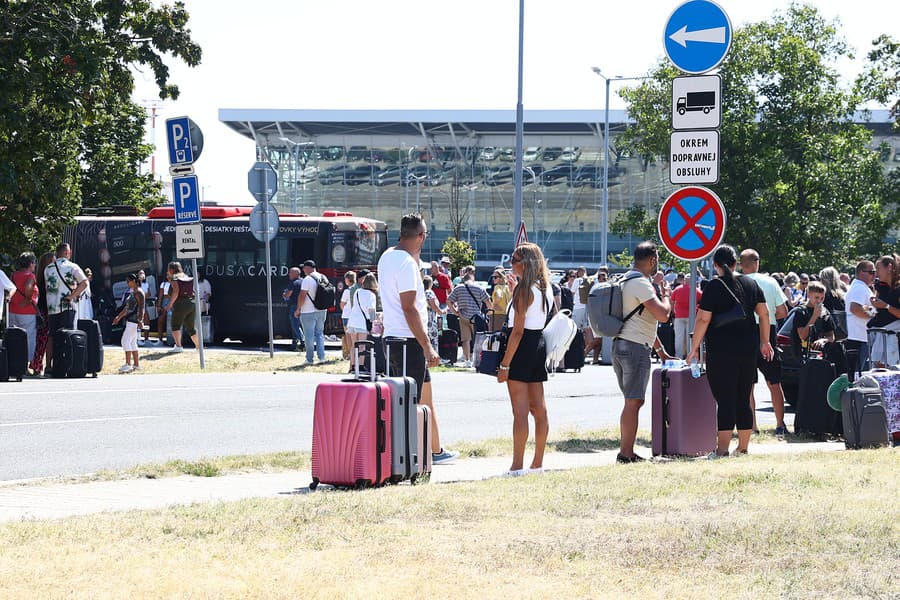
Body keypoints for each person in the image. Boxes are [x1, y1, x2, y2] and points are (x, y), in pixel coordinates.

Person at [377, 213, 458, 465]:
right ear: (421, 236)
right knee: (410, 402)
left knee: (424, 397)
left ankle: (435, 449)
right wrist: (427, 346)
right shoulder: (407, 264)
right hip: (408, 341)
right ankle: (409, 454)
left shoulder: (387, 256)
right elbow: (409, 308)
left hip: (394, 337)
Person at [687, 245, 773, 458]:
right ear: (736, 263)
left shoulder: (714, 286)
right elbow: (764, 314)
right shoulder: (750, 283)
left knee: (725, 399)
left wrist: (694, 348)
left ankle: (722, 449)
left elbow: (703, 319)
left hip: (721, 350)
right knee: (743, 398)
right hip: (748, 349)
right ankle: (743, 448)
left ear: (716, 265)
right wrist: (765, 341)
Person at [613, 241, 676, 463]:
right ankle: (626, 453)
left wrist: (661, 352)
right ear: (651, 260)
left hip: (621, 344)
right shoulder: (641, 284)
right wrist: (666, 294)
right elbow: (662, 315)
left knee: (632, 400)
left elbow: (643, 320)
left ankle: (626, 450)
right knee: (633, 401)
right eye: (656, 260)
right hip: (634, 348)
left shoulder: (625, 279)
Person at [496, 243, 554, 476]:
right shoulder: (545, 287)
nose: (511, 264)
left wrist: (504, 365)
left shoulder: (524, 290)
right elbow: (532, 317)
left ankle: (516, 466)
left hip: (520, 348)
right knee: (539, 408)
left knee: (519, 411)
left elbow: (517, 331)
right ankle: (537, 463)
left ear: (525, 263)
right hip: (537, 345)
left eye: (514, 260)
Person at [740, 249, 790, 436]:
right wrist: (769, 317)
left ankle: (752, 427)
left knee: (747, 384)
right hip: (768, 331)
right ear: (757, 262)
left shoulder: (738, 282)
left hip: (745, 333)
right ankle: (780, 424)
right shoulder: (770, 281)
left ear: (740, 264)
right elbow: (783, 311)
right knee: (774, 382)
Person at [446, 272, 493, 368]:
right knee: (477, 339)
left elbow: (448, 300)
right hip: (476, 316)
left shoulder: (458, 288)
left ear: (464, 280)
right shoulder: (479, 288)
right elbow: (489, 303)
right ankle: (477, 360)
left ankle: (467, 360)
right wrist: (487, 314)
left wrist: (455, 312)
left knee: (465, 339)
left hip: (463, 316)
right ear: (472, 279)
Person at [44, 243, 88, 337]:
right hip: (67, 307)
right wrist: (72, 296)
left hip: (52, 308)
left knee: (54, 337)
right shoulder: (72, 266)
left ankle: (55, 352)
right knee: (67, 337)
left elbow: (47, 288)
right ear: (67, 252)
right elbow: (85, 283)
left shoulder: (48, 268)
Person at [867, 255, 900, 366]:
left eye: (879, 269)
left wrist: (886, 306)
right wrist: (874, 305)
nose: (876, 273)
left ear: (889, 267)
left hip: (894, 336)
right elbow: (878, 309)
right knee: (877, 368)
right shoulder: (880, 287)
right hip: (880, 333)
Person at [845, 260, 876, 373]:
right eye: (871, 272)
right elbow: (855, 309)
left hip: (860, 337)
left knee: (857, 373)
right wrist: (874, 317)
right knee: (857, 374)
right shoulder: (860, 288)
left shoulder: (861, 287)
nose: (874, 275)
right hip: (859, 338)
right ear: (861, 273)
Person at [294, 259, 327, 365]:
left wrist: (298, 308)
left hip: (308, 311)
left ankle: (309, 359)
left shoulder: (307, 279)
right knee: (319, 334)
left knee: (309, 335)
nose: (303, 270)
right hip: (322, 310)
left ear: (308, 268)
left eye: (304, 268)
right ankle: (322, 357)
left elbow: (302, 295)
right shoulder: (323, 277)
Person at [9, 252, 39, 367]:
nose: (35, 266)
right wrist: (28, 299)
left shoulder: (13, 275)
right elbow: (28, 287)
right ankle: (25, 364)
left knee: (14, 337)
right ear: (31, 263)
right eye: (34, 263)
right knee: (28, 338)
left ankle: (13, 362)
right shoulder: (30, 276)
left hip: (13, 310)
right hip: (27, 312)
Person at [790, 281, 836, 354]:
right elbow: (802, 336)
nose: (819, 301)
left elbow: (831, 336)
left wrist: (823, 340)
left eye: (822, 298)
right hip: (802, 353)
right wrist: (815, 316)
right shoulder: (801, 311)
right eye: (816, 297)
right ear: (808, 295)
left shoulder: (825, 312)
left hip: (819, 353)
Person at [113, 273, 145, 373]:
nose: (127, 283)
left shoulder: (138, 292)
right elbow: (127, 308)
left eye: (128, 281)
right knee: (132, 342)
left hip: (134, 320)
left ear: (134, 281)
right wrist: (118, 317)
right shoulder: (134, 291)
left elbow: (141, 308)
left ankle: (128, 364)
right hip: (131, 320)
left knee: (125, 341)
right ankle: (136, 364)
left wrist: (140, 320)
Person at [30, 252, 55, 376]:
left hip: (40, 311)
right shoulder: (48, 276)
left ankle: (36, 366)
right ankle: (37, 366)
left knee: (40, 340)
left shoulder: (38, 276)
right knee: (44, 339)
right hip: (46, 311)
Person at [166, 261, 199, 353]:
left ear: (171, 269)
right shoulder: (186, 276)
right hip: (191, 303)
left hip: (181, 304)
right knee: (191, 328)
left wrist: (170, 304)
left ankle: (178, 346)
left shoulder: (175, 278)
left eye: (168, 269)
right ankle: (198, 347)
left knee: (175, 326)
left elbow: (176, 291)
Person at [346, 272, 378, 370]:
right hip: (362, 323)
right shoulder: (372, 295)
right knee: (362, 346)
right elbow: (371, 310)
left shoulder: (357, 292)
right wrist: (373, 322)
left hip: (352, 321)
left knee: (354, 346)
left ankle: (352, 366)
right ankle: (360, 366)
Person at [670, 273, 701, 359]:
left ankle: (678, 356)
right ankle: (689, 356)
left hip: (679, 316)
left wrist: (673, 311)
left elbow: (672, 301)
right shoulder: (695, 290)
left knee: (678, 337)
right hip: (691, 316)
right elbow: (702, 300)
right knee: (690, 337)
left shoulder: (677, 289)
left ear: (684, 281)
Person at [282, 267, 306, 352]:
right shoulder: (303, 281)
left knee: (295, 325)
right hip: (304, 306)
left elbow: (288, 294)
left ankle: (303, 342)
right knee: (298, 325)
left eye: (291, 273)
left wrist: (284, 294)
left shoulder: (293, 283)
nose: (289, 274)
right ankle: (294, 344)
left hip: (294, 306)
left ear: (296, 274)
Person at [422, 276, 444, 351]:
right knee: (433, 340)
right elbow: (433, 306)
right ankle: (434, 358)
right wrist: (441, 311)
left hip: (423, 319)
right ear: (429, 283)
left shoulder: (421, 292)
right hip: (431, 319)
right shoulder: (429, 292)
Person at [339, 271, 356, 361]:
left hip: (347, 316)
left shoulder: (347, 291)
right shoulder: (358, 290)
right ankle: (356, 354)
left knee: (348, 336)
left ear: (347, 279)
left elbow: (342, 304)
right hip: (355, 316)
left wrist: (345, 310)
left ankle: (350, 354)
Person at [156, 272, 172, 345]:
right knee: (160, 320)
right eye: (167, 275)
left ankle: (172, 340)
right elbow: (160, 295)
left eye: (169, 274)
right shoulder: (163, 284)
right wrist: (159, 305)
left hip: (172, 302)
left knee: (172, 321)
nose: (168, 276)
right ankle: (160, 340)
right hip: (164, 301)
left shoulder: (175, 283)